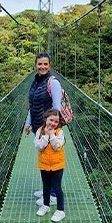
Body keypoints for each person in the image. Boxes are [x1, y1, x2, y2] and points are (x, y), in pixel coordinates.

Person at [24, 53, 62, 204]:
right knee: (44, 159)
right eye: (40, 64)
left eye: (45, 64)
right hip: (38, 128)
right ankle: (47, 189)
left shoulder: (53, 83)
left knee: (51, 160)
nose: (43, 67)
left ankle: (52, 195)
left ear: (50, 66)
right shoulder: (35, 82)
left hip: (48, 129)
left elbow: (56, 108)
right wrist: (28, 124)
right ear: (35, 66)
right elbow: (33, 105)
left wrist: (50, 130)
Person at [34, 109, 66, 222]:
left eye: (56, 121)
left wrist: (51, 135)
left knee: (57, 187)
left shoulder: (59, 132)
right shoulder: (39, 131)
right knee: (46, 186)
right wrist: (45, 136)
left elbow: (57, 146)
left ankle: (61, 211)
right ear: (45, 119)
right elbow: (39, 146)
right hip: (44, 164)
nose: (53, 123)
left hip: (57, 165)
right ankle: (46, 205)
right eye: (51, 120)